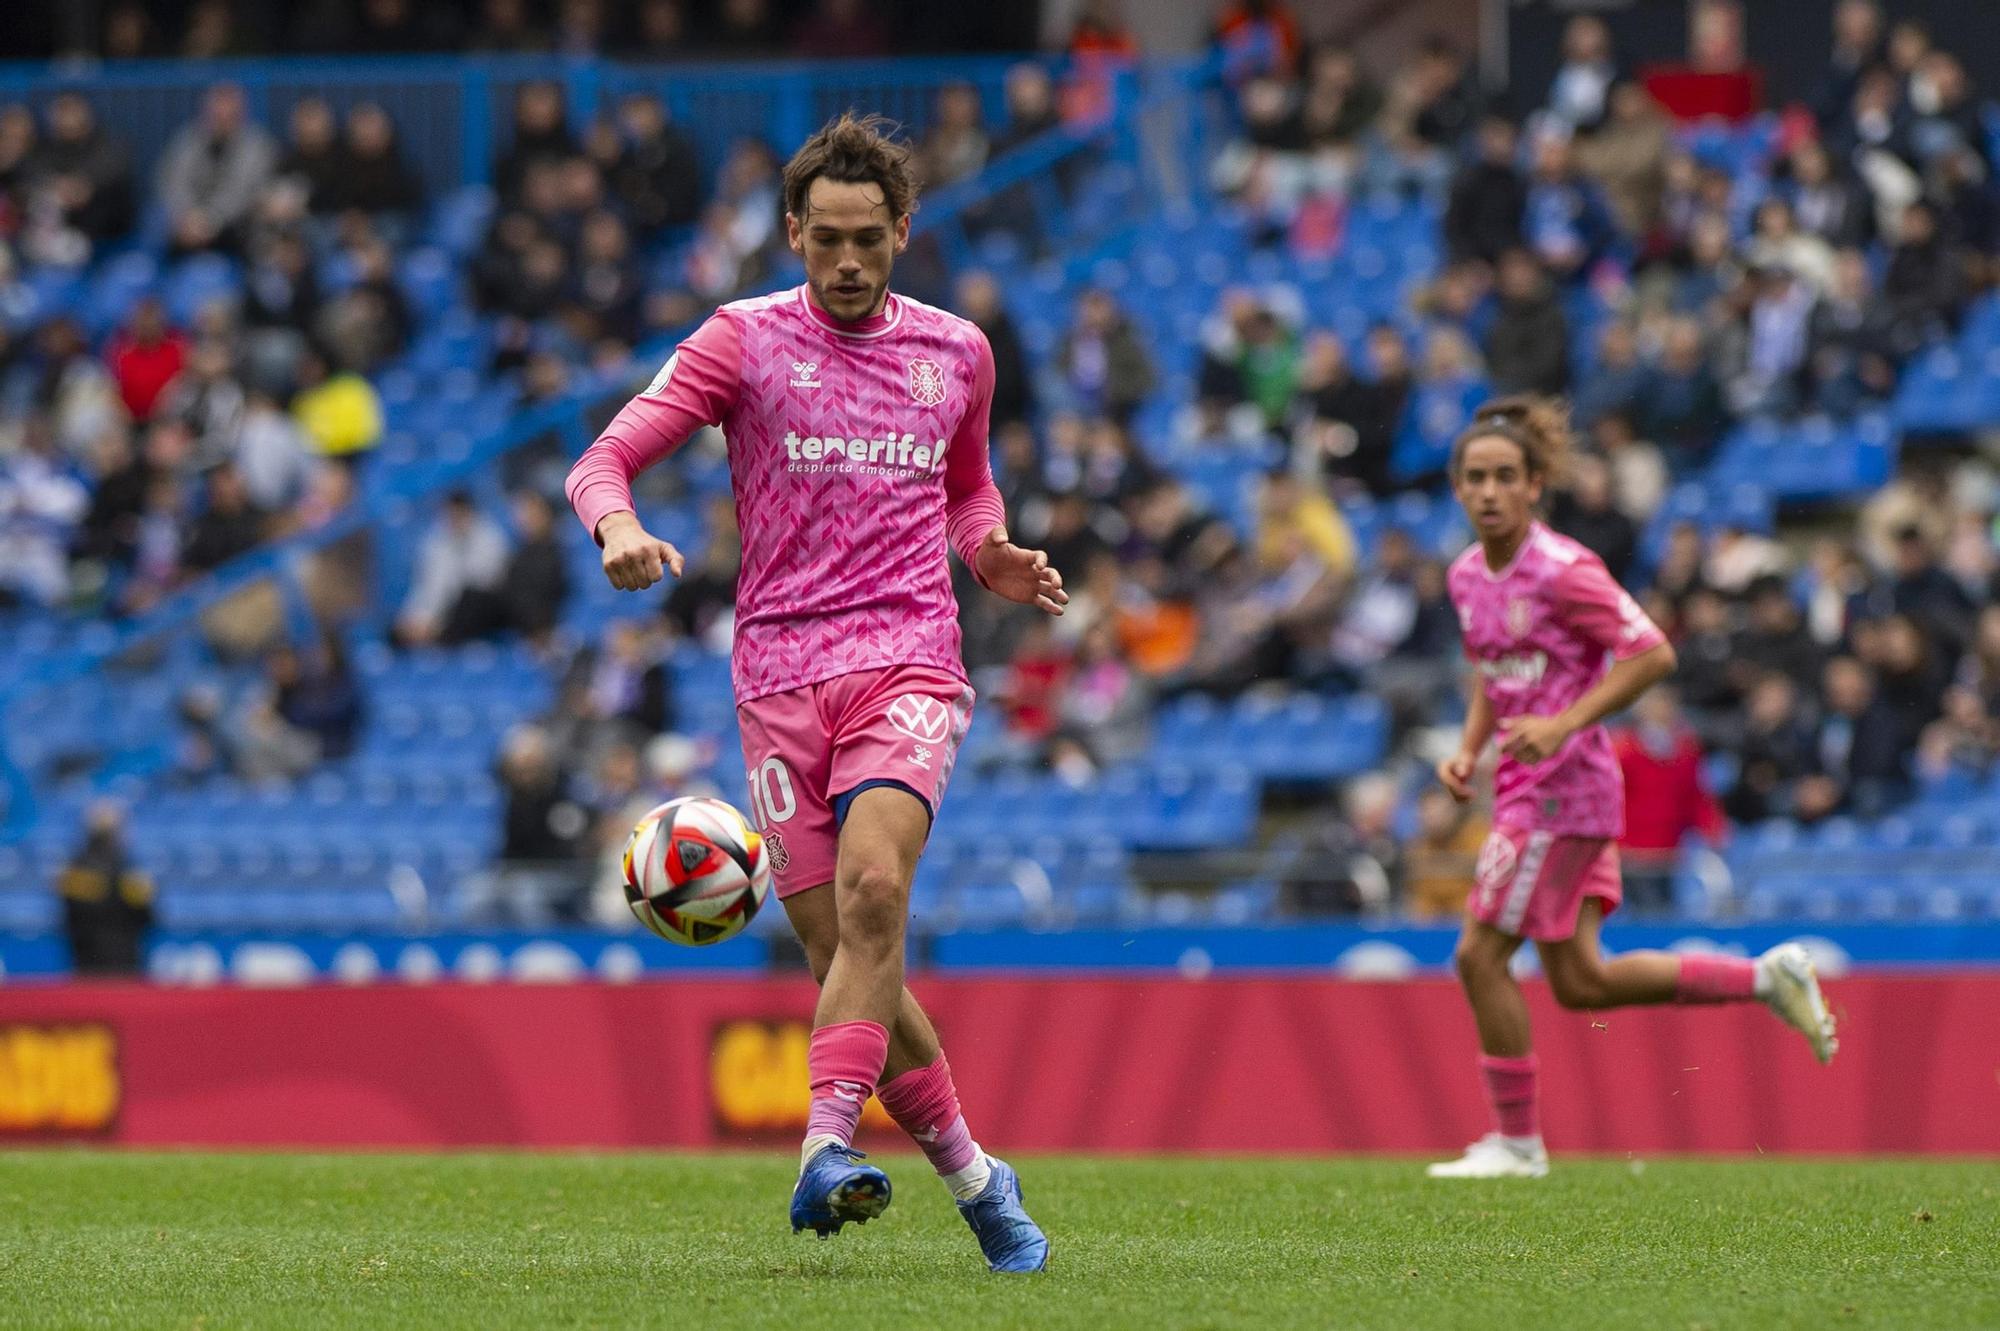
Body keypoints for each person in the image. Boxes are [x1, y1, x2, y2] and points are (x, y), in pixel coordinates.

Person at [565, 113, 1057, 1270]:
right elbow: (601, 458)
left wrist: (988, 554)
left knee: (877, 889)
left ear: (901, 234)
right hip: (779, 674)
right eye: (825, 239)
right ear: (791, 232)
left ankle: (820, 1149)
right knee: (853, 954)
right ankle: (979, 1178)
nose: (845, 263)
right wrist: (618, 528)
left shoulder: (957, 352)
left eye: (868, 242)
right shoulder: (739, 342)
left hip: (908, 656)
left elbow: (968, 492)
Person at [1428, 396, 1836, 1180]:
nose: (1488, 491)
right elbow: (1492, 668)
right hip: (1523, 781)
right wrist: (1469, 748)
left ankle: (1516, 1144)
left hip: (1563, 788)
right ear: (1455, 488)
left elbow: (1651, 652)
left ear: (1536, 484)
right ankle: (1763, 976)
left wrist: (1564, 722)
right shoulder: (1466, 575)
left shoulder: (1564, 569)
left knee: (1479, 954)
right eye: (1474, 477)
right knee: (1582, 981)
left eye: (1504, 476)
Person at [58, 801, 155, 975]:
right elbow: (148, 916)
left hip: (88, 963)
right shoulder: (128, 871)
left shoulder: (75, 870)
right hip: (120, 963)